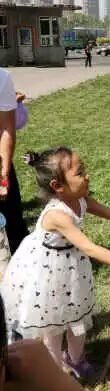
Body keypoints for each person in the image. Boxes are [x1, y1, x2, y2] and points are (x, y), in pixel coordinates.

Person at [0, 147, 110, 378]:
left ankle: (76, 359)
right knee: (53, 326)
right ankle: (55, 373)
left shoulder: (81, 200)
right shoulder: (57, 215)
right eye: (80, 173)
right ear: (57, 186)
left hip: (71, 265)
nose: (87, 176)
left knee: (78, 315)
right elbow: (89, 247)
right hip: (46, 271)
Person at [0, 294, 92, 391]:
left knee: (77, 323)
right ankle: (58, 367)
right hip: (50, 298)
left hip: (73, 297)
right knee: (54, 331)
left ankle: (74, 359)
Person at [0, 69, 29, 253]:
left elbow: (6, 128)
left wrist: (3, 176)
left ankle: (22, 262)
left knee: (13, 225)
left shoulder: (2, 78)